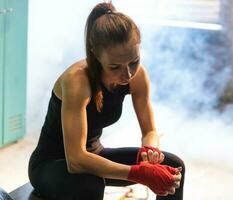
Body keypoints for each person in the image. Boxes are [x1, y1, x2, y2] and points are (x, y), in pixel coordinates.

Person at [28, 2, 185, 200]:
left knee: (172, 168)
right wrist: (138, 173)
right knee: (90, 185)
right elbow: (75, 160)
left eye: (134, 62)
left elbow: (150, 131)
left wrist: (150, 151)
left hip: (95, 155)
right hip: (52, 164)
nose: (127, 73)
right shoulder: (77, 81)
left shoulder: (138, 76)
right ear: (95, 54)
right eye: (114, 66)